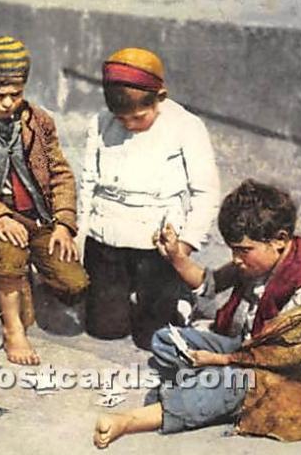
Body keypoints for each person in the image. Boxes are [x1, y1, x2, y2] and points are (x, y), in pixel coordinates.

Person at [93, 180, 301, 447]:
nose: (236, 258)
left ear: (279, 240)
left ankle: (131, 421)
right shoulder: (258, 260)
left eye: (243, 250)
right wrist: (176, 256)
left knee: (229, 383)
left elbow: (289, 358)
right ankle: (208, 388)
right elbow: (209, 282)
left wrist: (222, 360)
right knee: (166, 339)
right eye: (233, 250)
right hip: (250, 347)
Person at [0, 36, 89, 365]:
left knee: (74, 282)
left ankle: (23, 279)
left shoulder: (39, 121)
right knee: (9, 254)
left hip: (37, 219)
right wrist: (0, 216)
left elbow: (61, 174)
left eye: (16, 94)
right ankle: (13, 329)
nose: (9, 102)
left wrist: (64, 224)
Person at [78, 47, 220, 349]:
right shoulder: (100, 123)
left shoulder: (186, 127)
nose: (128, 125)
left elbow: (206, 192)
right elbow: (87, 183)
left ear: (161, 97)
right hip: (107, 237)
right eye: (121, 118)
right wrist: (80, 235)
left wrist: (185, 244)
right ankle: (118, 292)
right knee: (104, 329)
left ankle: (178, 298)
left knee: (152, 339)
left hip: (156, 242)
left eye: (138, 117)